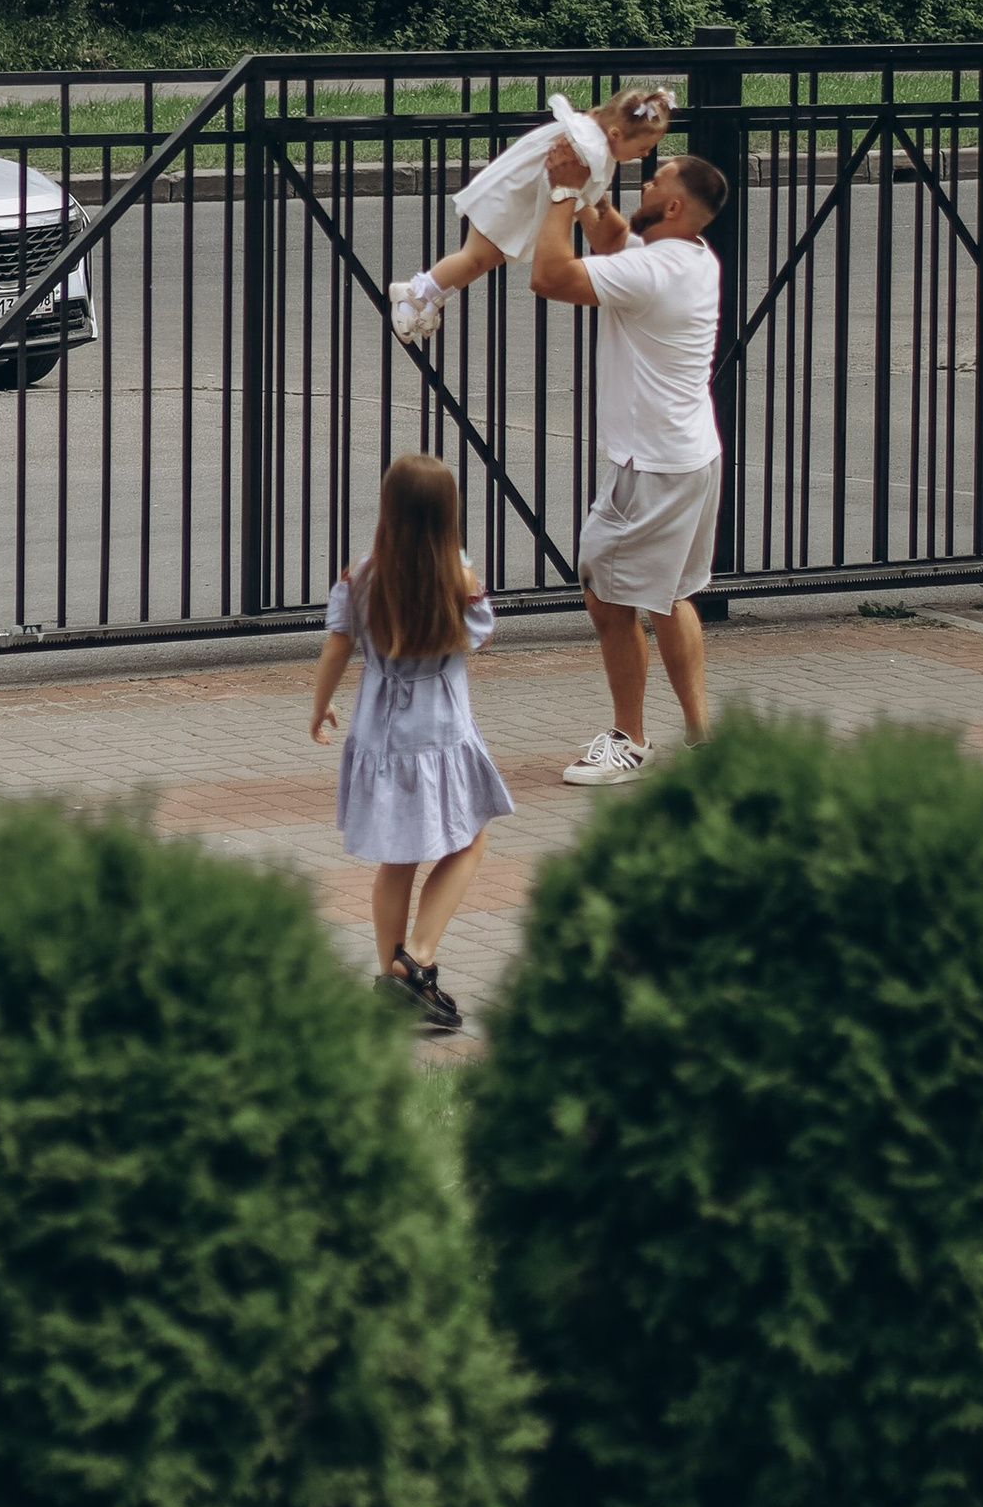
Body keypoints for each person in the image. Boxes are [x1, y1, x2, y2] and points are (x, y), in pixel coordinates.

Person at [530, 145, 730, 785]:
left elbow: (551, 277)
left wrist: (560, 197)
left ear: (671, 207)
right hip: (691, 456)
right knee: (671, 596)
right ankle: (703, 737)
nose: (645, 182)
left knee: (608, 599)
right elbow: (617, 236)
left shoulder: (657, 272)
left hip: (651, 469)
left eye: (655, 180)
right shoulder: (689, 253)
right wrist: (592, 192)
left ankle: (630, 740)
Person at [309, 452, 514, 1035]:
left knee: (396, 860)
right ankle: (417, 955)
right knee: (469, 840)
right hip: (440, 730)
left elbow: (337, 645)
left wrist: (320, 704)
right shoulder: (459, 574)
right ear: (448, 515)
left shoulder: (361, 576)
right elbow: (482, 635)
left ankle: (390, 976)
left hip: (379, 731)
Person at [388, 87, 675, 349]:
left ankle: (432, 297)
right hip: (511, 197)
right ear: (615, 134)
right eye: (642, 148)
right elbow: (577, 186)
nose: (646, 153)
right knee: (477, 257)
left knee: (486, 257)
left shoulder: (593, 135)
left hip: (517, 196)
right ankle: (415, 292)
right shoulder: (593, 151)